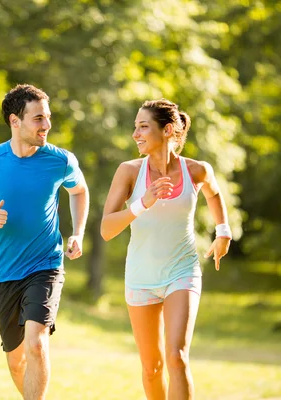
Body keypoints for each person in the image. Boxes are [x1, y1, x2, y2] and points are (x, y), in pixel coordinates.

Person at [0, 84, 89, 400]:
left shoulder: (60, 160)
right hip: (4, 273)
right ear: (16, 121)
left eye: (48, 117)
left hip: (46, 264)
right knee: (16, 362)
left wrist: (77, 232)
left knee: (36, 343)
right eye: (38, 118)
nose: (47, 125)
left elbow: (79, 191)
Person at [101, 99, 232, 399]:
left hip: (182, 271)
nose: (135, 134)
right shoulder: (129, 172)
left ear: (168, 129)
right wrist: (142, 203)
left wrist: (223, 231)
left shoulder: (196, 170)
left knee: (177, 357)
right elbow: (107, 230)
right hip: (141, 277)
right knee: (152, 368)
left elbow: (214, 193)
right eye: (135, 127)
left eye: (143, 126)